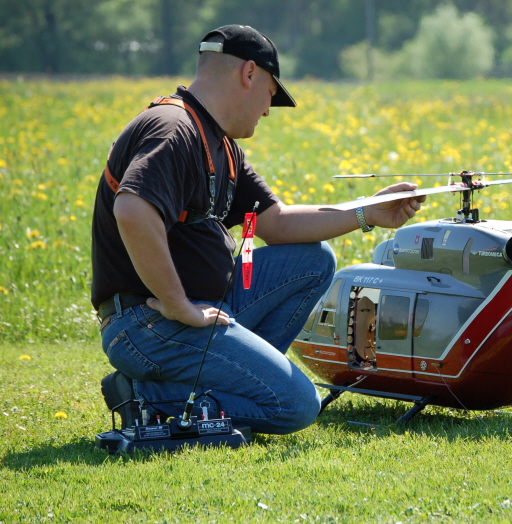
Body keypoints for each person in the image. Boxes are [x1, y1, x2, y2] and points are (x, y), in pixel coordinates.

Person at [91, 24, 424, 434]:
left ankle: (214, 385)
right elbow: (132, 209)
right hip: (149, 323)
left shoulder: (221, 145)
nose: (268, 109)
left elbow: (278, 224)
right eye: (271, 93)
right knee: (298, 406)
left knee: (312, 260)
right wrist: (177, 303)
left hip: (201, 309)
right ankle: (149, 397)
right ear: (249, 74)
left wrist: (369, 211)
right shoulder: (173, 127)